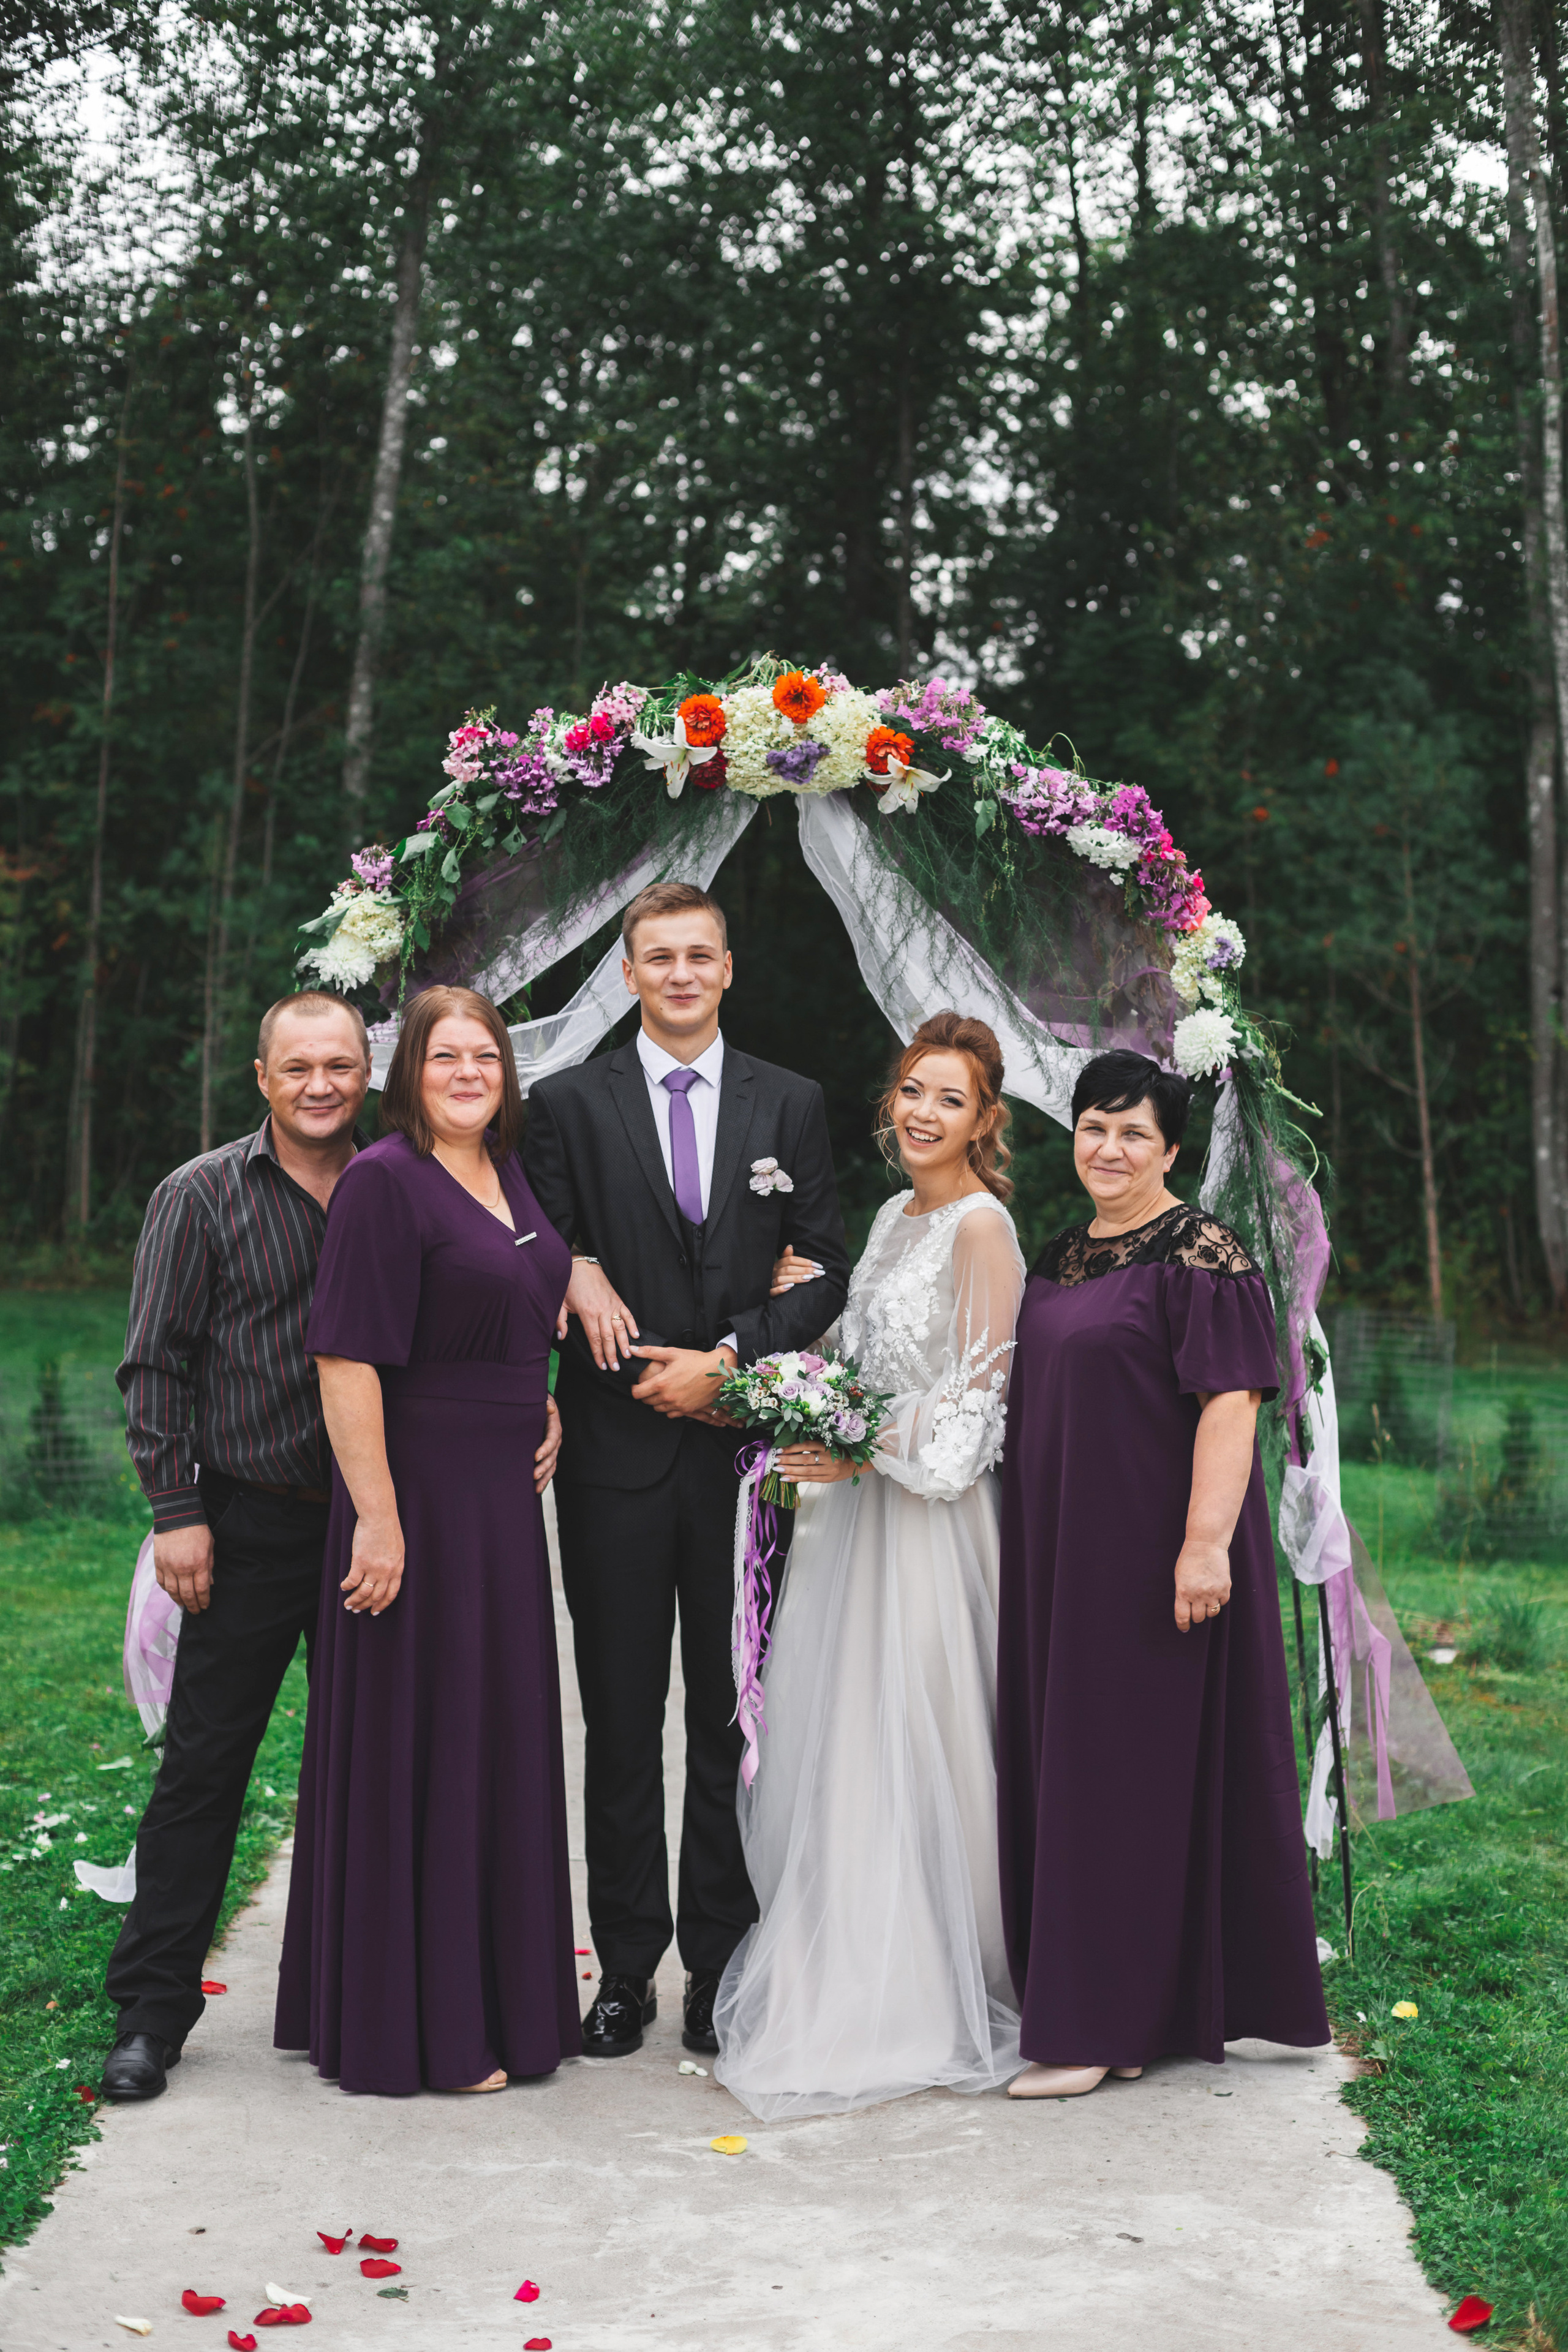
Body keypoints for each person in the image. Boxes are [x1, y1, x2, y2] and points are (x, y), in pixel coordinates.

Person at [522, 881, 851, 2059]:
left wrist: (728, 1362)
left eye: (698, 956)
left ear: (728, 970)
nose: (678, 974)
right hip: (611, 1461)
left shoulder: (793, 1102)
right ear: (626, 973)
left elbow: (827, 1270)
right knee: (617, 1724)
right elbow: (531, 1247)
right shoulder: (563, 1104)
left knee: (726, 1726)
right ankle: (624, 1973)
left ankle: (718, 1968)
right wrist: (571, 1265)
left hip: (737, 1465)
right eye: (656, 956)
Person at [995, 1049, 1330, 2098]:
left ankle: (1097, 2027)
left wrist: (1202, 1545)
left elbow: (1233, 1402)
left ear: (1173, 1149)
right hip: (1061, 1557)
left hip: (1154, 1557)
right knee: (1077, 1771)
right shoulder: (1060, 1256)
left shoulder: (1205, 1252)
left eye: (1134, 1132)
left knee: (1120, 1782)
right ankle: (1128, 2013)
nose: (1109, 1147)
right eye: (1096, 1126)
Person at [714, 1012, 1025, 2119]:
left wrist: (854, 1443)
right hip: (853, 1525)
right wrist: (816, 1365)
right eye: (911, 1090)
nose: (924, 1112)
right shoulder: (893, 1217)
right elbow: (858, 1354)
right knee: (842, 1738)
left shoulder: (985, 1231)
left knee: (925, 1742)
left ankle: (940, 1973)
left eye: (950, 1097)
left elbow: (972, 1424)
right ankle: (845, 1950)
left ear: (985, 1118)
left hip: (930, 1534)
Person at [274, 986, 574, 2095]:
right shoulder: (383, 1182)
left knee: (490, 1738)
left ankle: (500, 1998)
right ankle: (430, 2027)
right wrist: (381, 1518)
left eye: (482, 1057)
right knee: (429, 1739)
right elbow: (346, 1357)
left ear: (505, 1073)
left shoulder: (506, 1174)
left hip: (499, 1504)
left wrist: (536, 1397)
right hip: (418, 1499)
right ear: (411, 1074)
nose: (464, 1073)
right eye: (444, 1057)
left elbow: (514, 1306)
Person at [104, 993, 372, 2101]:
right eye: (298, 1066)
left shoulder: (399, 1184)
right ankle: (152, 2014)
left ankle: (372, 1995)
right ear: (261, 1077)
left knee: (376, 1765)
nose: (321, 1084)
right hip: (249, 1519)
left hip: (376, 1524)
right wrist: (178, 1512)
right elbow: (156, 1363)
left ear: (369, 1073)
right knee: (207, 1767)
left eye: (341, 1066)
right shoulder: (201, 1194)